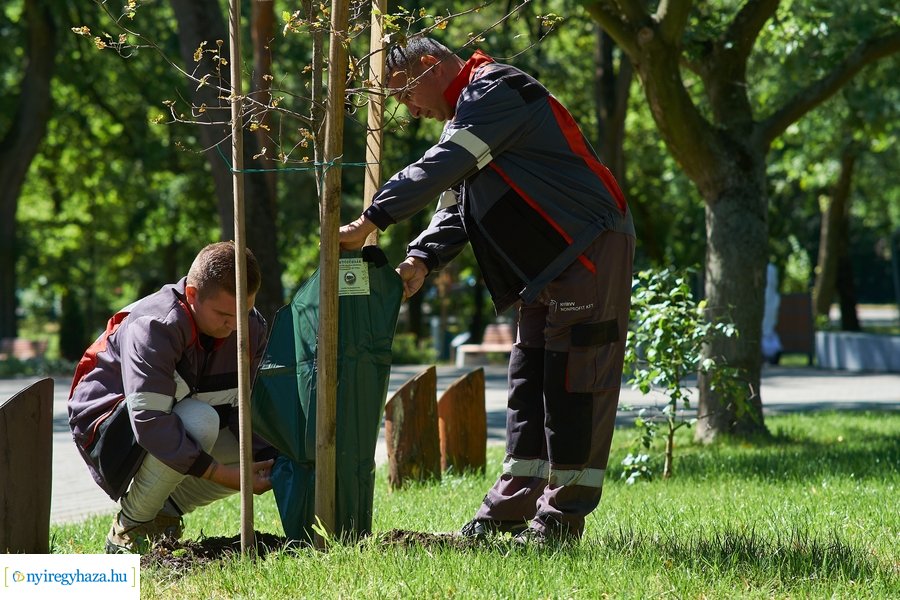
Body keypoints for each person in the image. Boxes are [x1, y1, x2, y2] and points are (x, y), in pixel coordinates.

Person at [339, 36, 635, 543]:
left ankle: (560, 522)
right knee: (528, 382)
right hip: (544, 267)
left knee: (573, 384)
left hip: (588, 245)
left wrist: (371, 220)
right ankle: (509, 509)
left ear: (430, 66)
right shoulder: (469, 117)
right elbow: (457, 201)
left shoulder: (496, 90)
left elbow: (443, 166)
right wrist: (421, 257)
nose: (408, 111)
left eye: (403, 94)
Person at [67, 241, 276, 553]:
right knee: (199, 422)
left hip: (178, 413)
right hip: (108, 426)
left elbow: (245, 410)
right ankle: (129, 530)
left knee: (260, 454)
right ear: (191, 295)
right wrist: (224, 475)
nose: (234, 327)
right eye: (223, 314)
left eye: (243, 313)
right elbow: (150, 423)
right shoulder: (154, 326)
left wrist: (273, 459)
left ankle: (164, 514)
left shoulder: (251, 328)